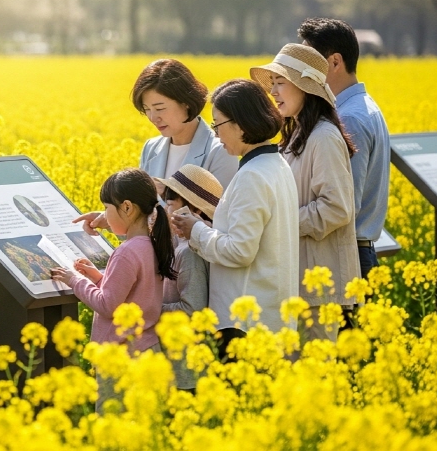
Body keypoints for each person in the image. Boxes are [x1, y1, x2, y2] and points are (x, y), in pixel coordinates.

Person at [172, 79, 299, 358]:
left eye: (217, 124)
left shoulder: (252, 176)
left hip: (245, 323)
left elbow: (241, 251)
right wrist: (208, 228)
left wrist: (196, 230)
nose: (216, 134)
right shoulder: (276, 165)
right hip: (268, 314)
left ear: (240, 124)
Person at [250, 43, 361, 342]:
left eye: (280, 83)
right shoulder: (299, 133)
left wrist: (280, 223)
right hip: (299, 281)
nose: (273, 92)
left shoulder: (323, 137)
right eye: (272, 84)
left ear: (306, 88)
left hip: (320, 286)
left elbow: (337, 208)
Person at [50, 168, 173, 408]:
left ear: (127, 207)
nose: (104, 215)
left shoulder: (126, 252)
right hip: (147, 350)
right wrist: (98, 277)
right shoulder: (151, 244)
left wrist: (74, 280)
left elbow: (107, 305)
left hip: (120, 358)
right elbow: (131, 292)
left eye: (107, 208)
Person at [74, 59, 238, 236]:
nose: (153, 117)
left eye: (159, 108)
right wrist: (111, 219)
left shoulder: (220, 151)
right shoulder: (151, 148)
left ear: (186, 102)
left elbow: (219, 226)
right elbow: (141, 215)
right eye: (147, 109)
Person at [298, 18, 390, 280]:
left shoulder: (348, 118)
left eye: (309, 62)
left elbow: (343, 205)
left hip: (347, 255)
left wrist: (279, 220)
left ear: (335, 62)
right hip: (355, 250)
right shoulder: (365, 106)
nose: (302, 73)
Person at [155, 164, 221, 389]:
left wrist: (152, 308)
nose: (165, 211)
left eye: (170, 204)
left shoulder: (191, 253)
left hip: (185, 369)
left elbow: (192, 310)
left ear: (195, 211)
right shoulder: (183, 245)